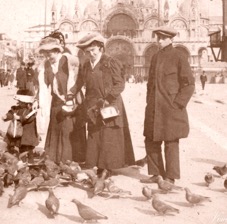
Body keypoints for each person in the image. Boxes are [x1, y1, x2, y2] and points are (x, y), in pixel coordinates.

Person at [69, 32, 135, 175]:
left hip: (109, 103)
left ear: (100, 48)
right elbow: (80, 81)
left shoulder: (110, 62)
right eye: (87, 52)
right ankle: (95, 163)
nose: (90, 54)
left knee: (107, 135)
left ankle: (107, 166)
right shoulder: (86, 65)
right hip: (92, 105)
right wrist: (72, 91)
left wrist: (107, 99)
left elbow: (120, 84)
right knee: (94, 133)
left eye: (93, 50)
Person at [141, 26, 195, 184]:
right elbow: (150, 83)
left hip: (170, 108)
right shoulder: (155, 57)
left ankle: (170, 178)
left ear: (171, 39)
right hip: (154, 107)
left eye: (163, 38)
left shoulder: (179, 56)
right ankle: (156, 174)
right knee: (151, 139)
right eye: (158, 37)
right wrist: (148, 101)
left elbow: (189, 84)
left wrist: (178, 103)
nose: (159, 41)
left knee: (171, 142)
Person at [36, 33, 86, 164]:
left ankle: (69, 160)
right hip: (57, 103)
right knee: (56, 129)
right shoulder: (46, 65)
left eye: (50, 53)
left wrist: (70, 96)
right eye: (45, 54)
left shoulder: (69, 60)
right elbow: (43, 85)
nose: (48, 57)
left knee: (67, 131)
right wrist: (37, 100)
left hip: (72, 102)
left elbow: (78, 79)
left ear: (57, 50)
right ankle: (55, 159)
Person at [2, 89, 39, 162]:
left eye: (21, 102)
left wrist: (20, 118)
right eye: (19, 102)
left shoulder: (31, 110)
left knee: (28, 148)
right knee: (21, 147)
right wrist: (7, 116)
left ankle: (30, 161)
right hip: (19, 132)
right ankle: (22, 161)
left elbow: (29, 118)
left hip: (27, 133)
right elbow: (11, 113)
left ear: (26, 102)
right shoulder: (17, 108)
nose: (19, 103)